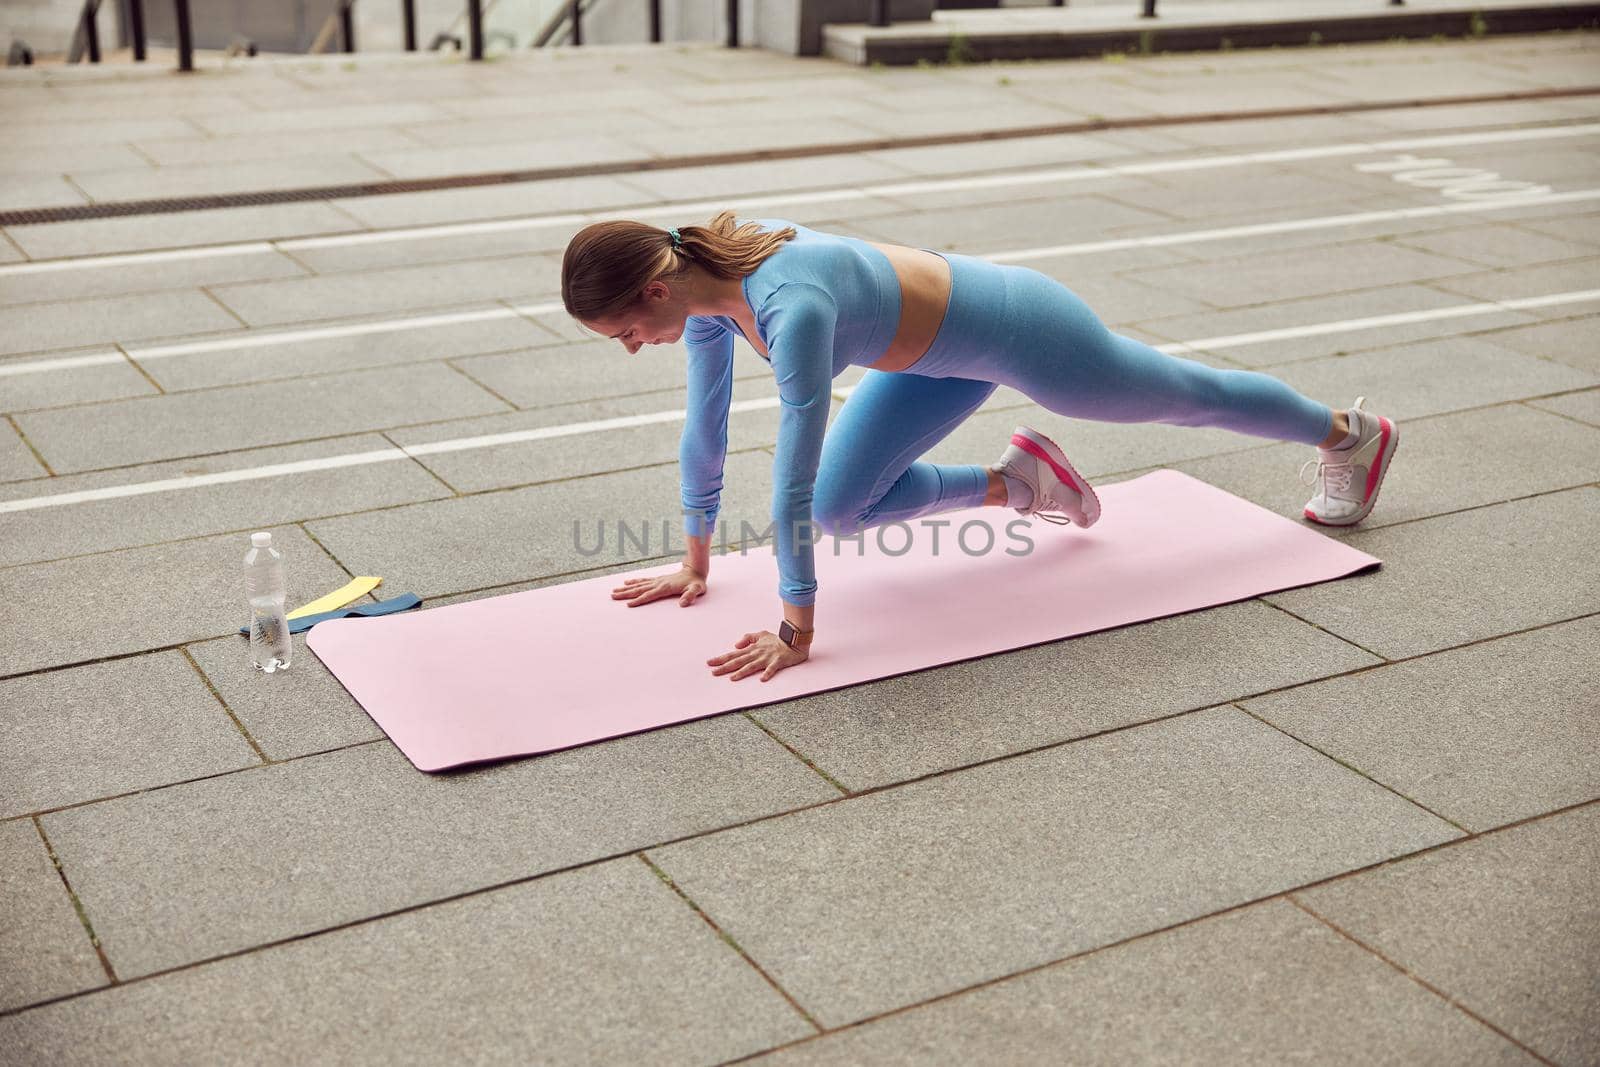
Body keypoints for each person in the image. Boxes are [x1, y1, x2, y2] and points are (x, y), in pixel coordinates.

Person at [561, 212, 1398, 684]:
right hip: (934, 360)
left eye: (627, 329)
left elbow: (789, 470)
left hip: (1020, 328)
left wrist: (794, 627)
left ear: (656, 289)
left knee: (1186, 397)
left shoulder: (791, 306)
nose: (634, 344)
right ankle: (1024, 480)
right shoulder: (703, 300)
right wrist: (695, 561)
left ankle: (1350, 435)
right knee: (842, 508)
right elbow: (705, 429)